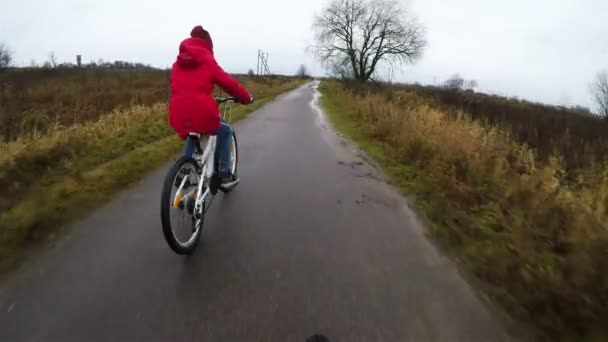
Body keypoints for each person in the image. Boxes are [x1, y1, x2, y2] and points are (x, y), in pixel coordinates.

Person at [168, 25, 253, 186]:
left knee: (192, 132)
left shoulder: (176, 64)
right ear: (207, 44)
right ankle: (225, 173)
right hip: (201, 110)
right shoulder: (207, 61)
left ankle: (182, 173)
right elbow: (229, 84)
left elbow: (179, 87)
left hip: (177, 111)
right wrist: (246, 98)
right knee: (226, 130)